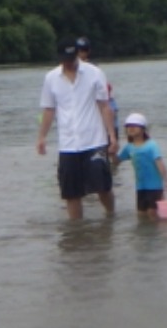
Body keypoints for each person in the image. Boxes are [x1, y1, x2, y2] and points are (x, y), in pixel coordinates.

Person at [37, 41, 117, 219]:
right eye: (65, 59)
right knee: (71, 194)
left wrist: (112, 135)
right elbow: (49, 109)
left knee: (103, 188)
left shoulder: (94, 73)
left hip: (95, 140)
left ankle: (111, 216)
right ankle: (76, 232)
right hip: (68, 144)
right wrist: (42, 136)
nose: (70, 63)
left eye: (72, 58)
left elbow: (104, 106)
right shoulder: (51, 78)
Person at [116, 113, 167, 216]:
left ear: (143, 129)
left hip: (155, 187)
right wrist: (111, 153)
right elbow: (117, 161)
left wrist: (166, 181)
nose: (131, 128)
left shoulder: (151, 145)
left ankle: (157, 231)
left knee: (152, 213)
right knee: (141, 214)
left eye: (134, 125)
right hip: (140, 187)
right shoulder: (129, 147)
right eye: (128, 126)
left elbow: (159, 163)